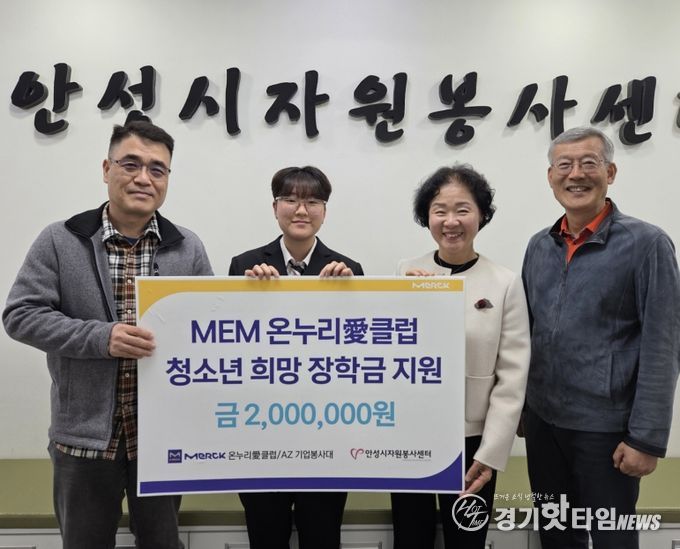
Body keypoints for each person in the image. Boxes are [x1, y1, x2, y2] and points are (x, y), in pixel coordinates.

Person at [3, 120, 213, 549]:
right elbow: (20, 315)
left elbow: (208, 327)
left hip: (160, 440)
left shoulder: (187, 246)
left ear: (167, 178)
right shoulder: (61, 239)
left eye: (157, 169)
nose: (143, 178)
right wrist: (102, 338)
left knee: (162, 543)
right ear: (106, 168)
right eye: (130, 164)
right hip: (83, 440)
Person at [522, 126, 680, 549]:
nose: (576, 174)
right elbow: (527, 333)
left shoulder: (647, 244)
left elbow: (664, 344)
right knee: (557, 537)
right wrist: (521, 410)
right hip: (544, 426)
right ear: (550, 176)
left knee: (613, 540)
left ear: (610, 172)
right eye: (564, 165)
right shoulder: (539, 246)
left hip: (607, 432)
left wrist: (646, 438)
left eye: (588, 163)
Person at [390, 164, 531, 548]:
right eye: (440, 210)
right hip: (412, 435)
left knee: (466, 541)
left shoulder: (504, 282)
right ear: (427, 217)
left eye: (462, 210)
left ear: (481, 215)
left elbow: (513, 377)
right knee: (410, 537)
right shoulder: (405, 272)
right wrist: (409, 302)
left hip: (473, 441)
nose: (450, 221)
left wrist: (490, 454)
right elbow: (392, 353)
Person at [228, 165, 363, 549]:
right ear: (275, 208)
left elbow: (358, 355)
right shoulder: (244, 266)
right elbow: (230, 349)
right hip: (261, 435)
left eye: (313, 201)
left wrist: (346, 298)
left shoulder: (349, 271)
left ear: (324, 211)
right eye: (290, 199)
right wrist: (251, 298)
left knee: (322, 537)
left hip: (327, 438)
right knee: (265, 537)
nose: (301, 210)